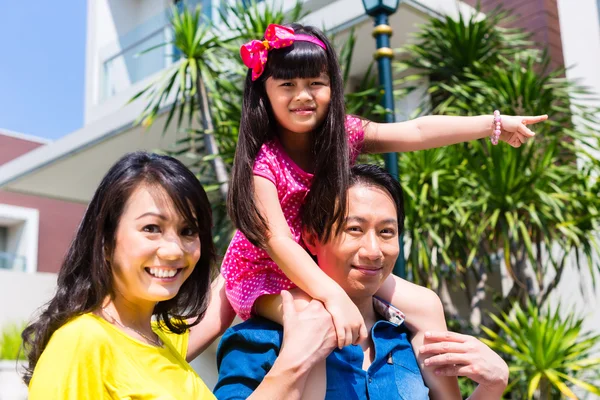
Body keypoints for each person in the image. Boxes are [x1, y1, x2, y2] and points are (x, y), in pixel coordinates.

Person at [192, 22, 545, 397]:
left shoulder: (343, 135)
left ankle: (443, 386)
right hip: (269, 272)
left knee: (424, 303)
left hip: (322, 257)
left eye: (315, 83)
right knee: (314, 322)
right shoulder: (263, 164)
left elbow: (417, 132)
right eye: (287, 85)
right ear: (264, 92)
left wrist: (490, 124)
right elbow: (278, 241)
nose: (303, 96)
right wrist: (333, 296)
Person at [21, 152, 322, 399]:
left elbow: (224, 293)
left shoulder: (160, 340)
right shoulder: (81, 343)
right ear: (106, 241)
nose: (173, 250)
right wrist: (295, 360)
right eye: (151, 228)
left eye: (188, 231)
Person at [213, 164, 509, 400]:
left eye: (386, 232)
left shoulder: (410, 337)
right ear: (312, 239)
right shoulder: (261, 341)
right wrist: (295, 359)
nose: (373, 251)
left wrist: (493, 385)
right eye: (354, 229)